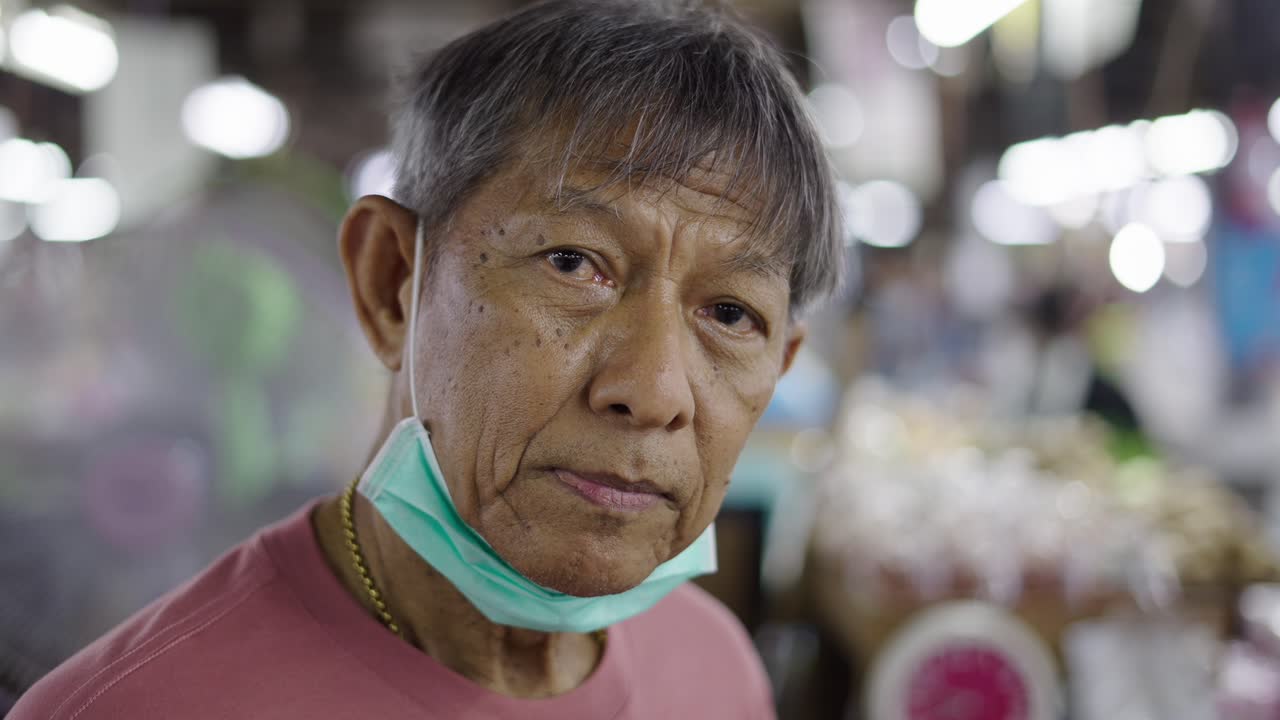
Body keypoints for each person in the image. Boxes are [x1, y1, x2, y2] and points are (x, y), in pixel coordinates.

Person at [11, 0, 841, 717]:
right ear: (391, 281)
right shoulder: (129, 709)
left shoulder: (715, 675)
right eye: (572, 263)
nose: (656, 391)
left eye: (731, 313)